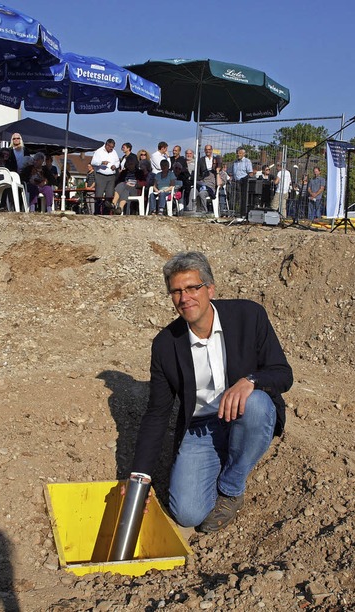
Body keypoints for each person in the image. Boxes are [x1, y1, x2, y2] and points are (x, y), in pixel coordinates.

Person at [130, 251, 293, 533]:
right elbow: (157, 413)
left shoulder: (248, 316)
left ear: (210, 289)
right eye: (177, 291)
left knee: (256, 405)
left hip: (244, 414)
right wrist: (140, 474)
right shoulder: (166, 345)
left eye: (193, 288)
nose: (185, 298)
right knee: (188, 514)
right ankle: (219, 459)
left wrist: (250, 380)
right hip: (200, 428)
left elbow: (283, 373)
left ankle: (231, 487)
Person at [91, 138, 120, 214]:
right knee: (99, 194)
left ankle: (106, 212)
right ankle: (97, 212)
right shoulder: (99, 151)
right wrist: (101, 162)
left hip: (111, 176)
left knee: (109, 195)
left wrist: (115, 166)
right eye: (110, 147)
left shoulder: (114, 152)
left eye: (112, 147)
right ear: (106, 145)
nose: (111, 149)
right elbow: (93, 162)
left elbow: (118, 162)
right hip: (101, 175)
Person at [231, 147, 253, 215]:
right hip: (235, 182)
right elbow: (231, 172)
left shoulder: (247, 161)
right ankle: (234, 212)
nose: (238, 154)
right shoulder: (235, 162)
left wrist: (245, 179)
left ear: (244, 154)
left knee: (242, 199)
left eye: (240, 153)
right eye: (237, 153)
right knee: (234, 198)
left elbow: (250, 173)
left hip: (243, 183)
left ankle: (241, 213)